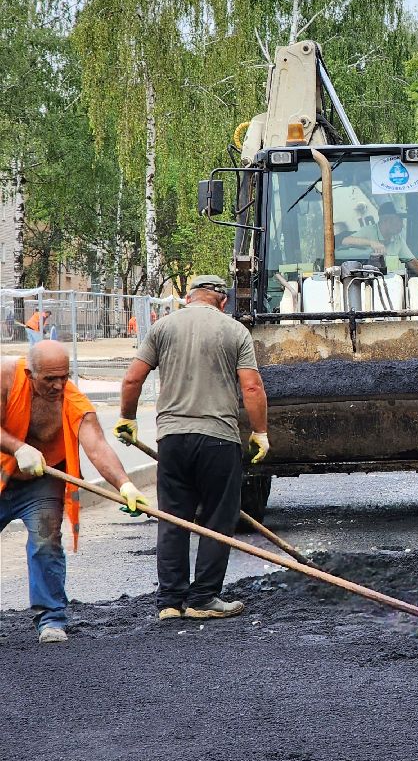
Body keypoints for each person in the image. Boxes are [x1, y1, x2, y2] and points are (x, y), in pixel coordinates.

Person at [116, 275, 270, 621]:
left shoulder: (162, 328)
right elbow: (252, 388)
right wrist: (260, 432)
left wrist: (127, 418)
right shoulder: (234, 331)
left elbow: (132, 378)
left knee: (173, 517)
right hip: (218, 439)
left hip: (171, 439)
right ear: (223, 301)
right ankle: (203, 597)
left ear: (188, 298)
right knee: (218, 516)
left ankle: (170, 601)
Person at [0, 340, 148, 643]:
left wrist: (125, 484)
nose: (58, 386)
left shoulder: (72, 401)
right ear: (30, 373)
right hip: (2, 472)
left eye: (64, 377)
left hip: (40, 483)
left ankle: (51, 619)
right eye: (49, 379)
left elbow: (96, 445)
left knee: (46, 541)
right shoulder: (5, 377)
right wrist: (18, 448)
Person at [340, 201, 418, 283]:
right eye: (399, 220)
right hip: (363, 282)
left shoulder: (397, 238)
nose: (402, 224)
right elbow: (346, 241)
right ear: (386, 220)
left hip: (390, 283)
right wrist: (371, 243)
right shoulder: (369, 231)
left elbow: (412, 261)